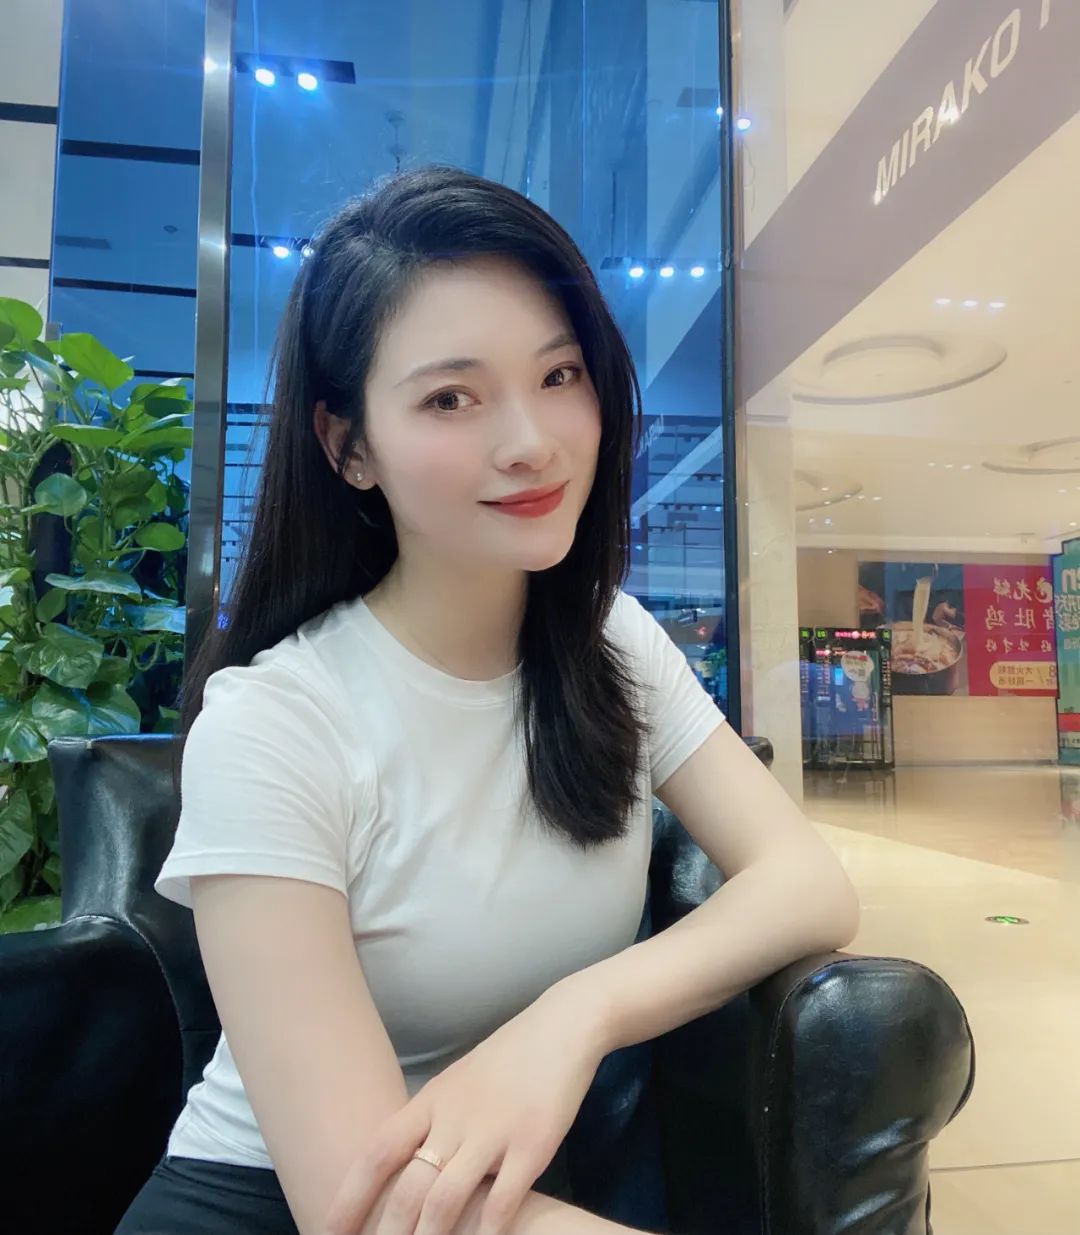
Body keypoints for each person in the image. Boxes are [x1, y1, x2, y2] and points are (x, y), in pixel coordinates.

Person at [115, 166, 860, 1235]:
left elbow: (808, 883)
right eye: (450, 398)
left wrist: (574, 1015)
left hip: (519, 1184)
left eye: (559, 374)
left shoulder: (610, 641)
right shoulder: (275, 721)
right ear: (348, 446)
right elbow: (362, 1204)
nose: (531, 441)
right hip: (288, 1202)